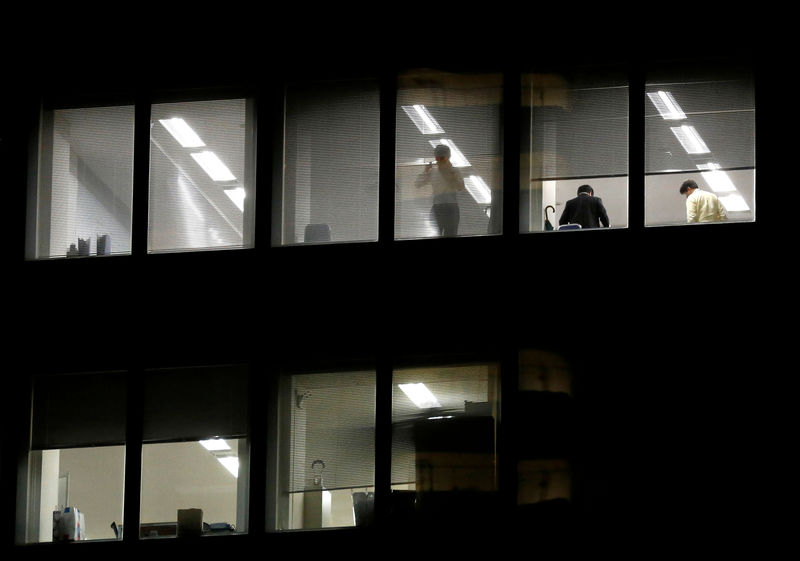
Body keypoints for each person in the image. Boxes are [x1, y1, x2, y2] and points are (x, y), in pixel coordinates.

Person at [416, 144, 465, 237]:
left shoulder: (454, 171)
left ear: (448, 157)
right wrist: (425, 171)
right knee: (436, 235)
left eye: (443, 157)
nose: (440, 160)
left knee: (451, 235)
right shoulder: (432, 171)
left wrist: (451, 173)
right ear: (436, 157)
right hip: (438, 208)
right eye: (438, 157)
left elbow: (460, 187)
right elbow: (418, 184)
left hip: (451, 208)